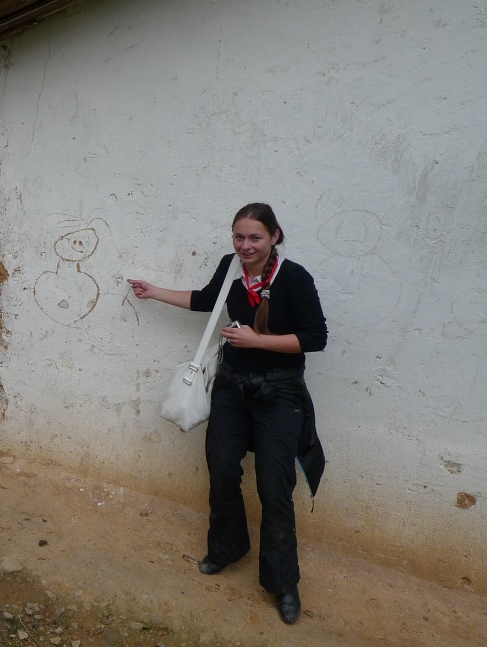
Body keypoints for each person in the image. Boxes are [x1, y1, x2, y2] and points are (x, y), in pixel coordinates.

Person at [127, 202, 327, 625]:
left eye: (255, 237)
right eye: (239, 236)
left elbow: (315, 338)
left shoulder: (294, 278)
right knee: (221, 469)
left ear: (274, 236)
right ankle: (227, 548)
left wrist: (258, 341)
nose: (245, 245)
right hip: (232, 388)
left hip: (280, 393)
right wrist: (154, 291)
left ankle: (282, 582)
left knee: (274, 486)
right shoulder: (230, 266)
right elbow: (206, 299)